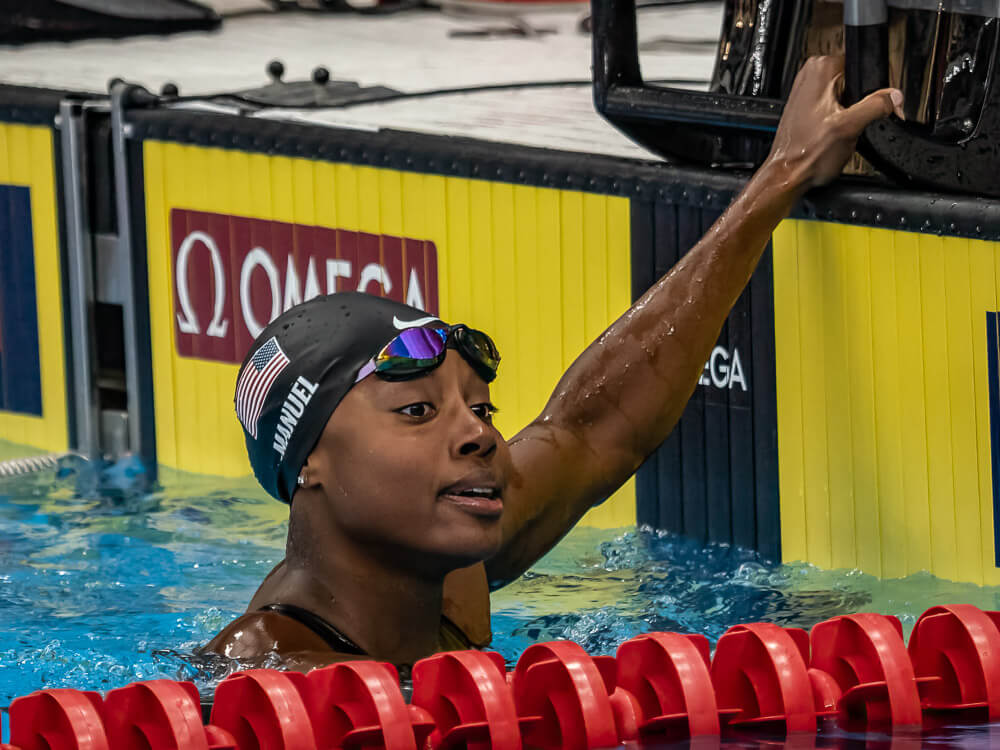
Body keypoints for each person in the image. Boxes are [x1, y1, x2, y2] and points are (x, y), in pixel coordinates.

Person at [203, 57, 905, 671]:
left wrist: (781, 175)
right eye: (418, 411)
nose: (481, 436)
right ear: (308, 465)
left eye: (480, 409)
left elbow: (591, 429)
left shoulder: (447, 575)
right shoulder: (261, 678)